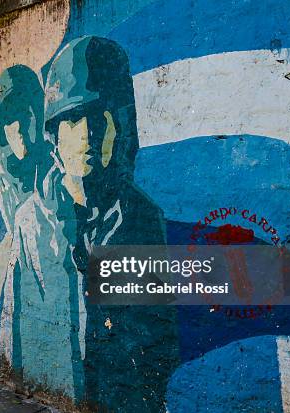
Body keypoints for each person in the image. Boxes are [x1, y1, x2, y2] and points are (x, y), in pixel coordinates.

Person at [44, 36, 180, 412]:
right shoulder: (37, 222)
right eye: (72, 119)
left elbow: (158, 343)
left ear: (120, 125)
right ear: (52, 135)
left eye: (100, 115)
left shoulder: (141, 218)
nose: (87, 134)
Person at [0, 65, 79, 398]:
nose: (18, 132)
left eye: (24, 116)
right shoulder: (1, 178)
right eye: (8, 121)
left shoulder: (57, 181)